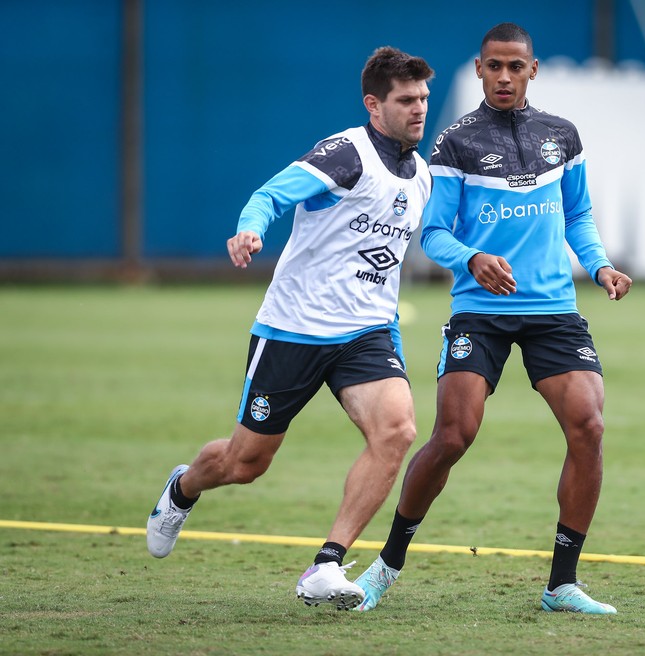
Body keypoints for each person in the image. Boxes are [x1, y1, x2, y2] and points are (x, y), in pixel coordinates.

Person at [352, 22, 632, 615]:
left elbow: (577, 215)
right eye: (494, 67)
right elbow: (433, 232)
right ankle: (386, 565)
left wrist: (600, 266)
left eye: (516, 67)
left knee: (589, 426)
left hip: (553, 309)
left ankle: (561, 584)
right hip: (480, 311)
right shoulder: (455, 142)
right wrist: (473, 259)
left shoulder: (562, 136)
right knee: (453, 436)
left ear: (533, 70)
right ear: (479, 69)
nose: (505, 77)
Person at [146, 46, 434, 611]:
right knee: (245, 464)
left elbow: (387, 269)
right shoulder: (346, 153)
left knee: (397, 432)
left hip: (366, 333)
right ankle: (183, 488)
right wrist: (249, 229)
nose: (419, 108)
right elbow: (270, 195)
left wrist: (394, 340)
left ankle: (326, 565)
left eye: (423, 97)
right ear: (374, 105)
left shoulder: (420, 175)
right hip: (293, 331)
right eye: (406, 100)